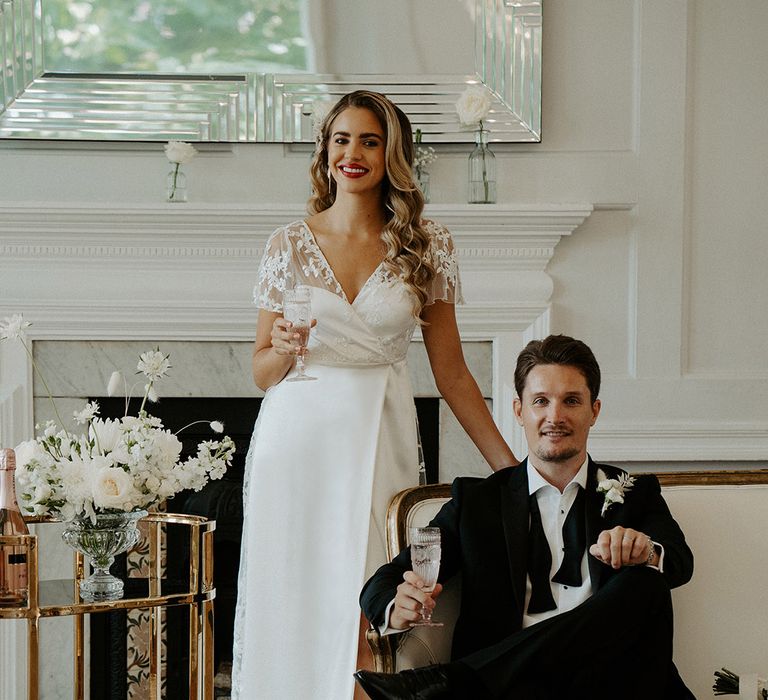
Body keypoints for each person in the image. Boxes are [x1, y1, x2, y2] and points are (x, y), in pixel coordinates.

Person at [231, 90, 518, 700]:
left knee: (372, 606)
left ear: (394, 155)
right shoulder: (287, 244)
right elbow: (260, 372)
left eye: (370, 140)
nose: (353, 153)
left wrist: (511, 472)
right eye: (341, 139)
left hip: (378, 436)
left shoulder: (426, 243)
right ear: (324, 151)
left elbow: (454, 373)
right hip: (296, 445)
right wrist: (282, 347)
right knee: (296, 602)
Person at [356, 334, 695, 699]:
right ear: (519, 410)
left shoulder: (632, 492)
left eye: (571, 401)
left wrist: (645, 551)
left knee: (646, 584)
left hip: (609, 685)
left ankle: (451, 685)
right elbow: (383, 581)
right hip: (516, 692)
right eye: (540, 401)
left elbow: (679, 561)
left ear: (594, 411)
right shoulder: (478, 502)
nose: (555, 416)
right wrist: (397, 604)